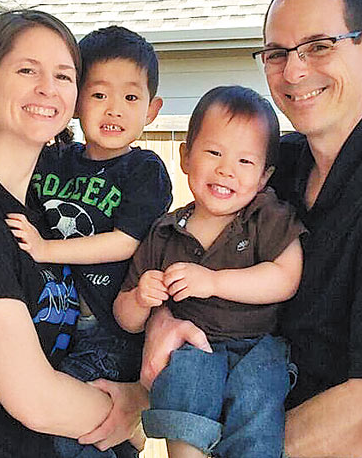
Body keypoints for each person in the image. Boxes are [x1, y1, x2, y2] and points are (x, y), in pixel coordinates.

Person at [141, 0, 362, 458]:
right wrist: (162, 319)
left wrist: (236, 446)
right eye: (277, 53)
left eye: (318, 46)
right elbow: (181, 251)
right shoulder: (270, 169)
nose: (293, 73)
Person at [0, 10, 149, 458]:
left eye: (63, 75)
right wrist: (129, 408)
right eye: (27, 70)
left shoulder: (43, 212)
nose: (47, 88)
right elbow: (34, 398)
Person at [0, 26, 172, 391]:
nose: (114, 110)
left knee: (69, 423)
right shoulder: (53, 159)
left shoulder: (144, 170)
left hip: (110, 327)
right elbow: (2, 169)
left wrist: (46, 249)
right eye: (99, 94)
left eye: (130, 98)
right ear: (77, 103)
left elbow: (125, 242)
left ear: (152, 110)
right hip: (58, 318)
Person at [114, 85, 305, 457]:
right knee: (186, 373)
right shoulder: (165, 232)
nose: (226, 170)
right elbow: (125, 317)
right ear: (186, 157)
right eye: (214, 152)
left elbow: (286, 277)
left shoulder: (265, 217)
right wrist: (141, 298)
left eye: (245, 162)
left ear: (264, 177)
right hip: (193, 346)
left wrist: (214, 281)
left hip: (255, 345)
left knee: (259, 392)